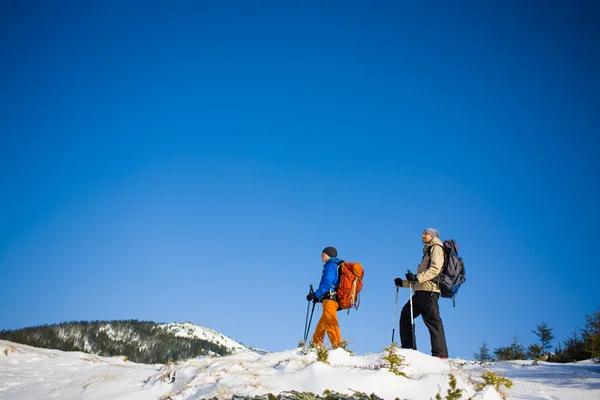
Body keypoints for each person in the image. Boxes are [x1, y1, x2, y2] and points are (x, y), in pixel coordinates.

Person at [394, 228, 449, 358]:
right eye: (423, 233)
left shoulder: (436, 248)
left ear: (433, 236)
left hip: (429, 291)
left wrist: (417, 278)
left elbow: (435, 270)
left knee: (433, 320)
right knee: (405, 315)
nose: (423, 235)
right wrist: (403, 283)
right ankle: (409, 350)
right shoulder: (428, 251)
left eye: (426, 233)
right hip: (420, 292)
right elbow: (420, 278)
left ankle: (440, 354)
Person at [307, 246, 341, 348]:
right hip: (332, 298)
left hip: (330, 299)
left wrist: (315, 295)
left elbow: (327, 283)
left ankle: (338, 347)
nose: (321, 255)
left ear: (328, 254)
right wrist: (318, 297)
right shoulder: (334, 265)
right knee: (323, 324)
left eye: (323, 253)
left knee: (331, 323)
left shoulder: (330, 265)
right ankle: (315, 345)